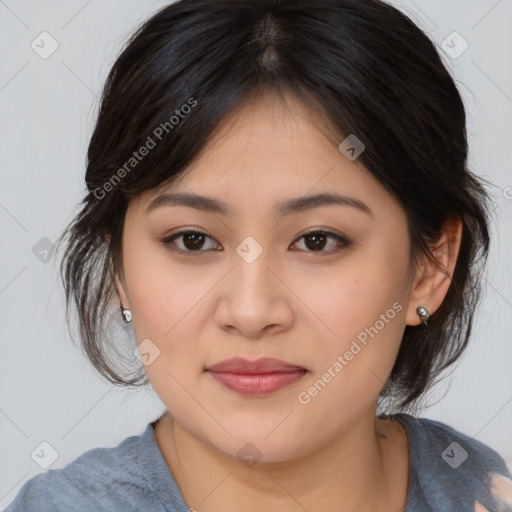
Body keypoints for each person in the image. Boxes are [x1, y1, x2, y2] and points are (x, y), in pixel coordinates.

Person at [5, 0, 511, 511]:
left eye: (317, 240)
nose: (250, 312)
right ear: (119, 266)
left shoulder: (483, 490)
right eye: (192, 240)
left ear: (431, 264)